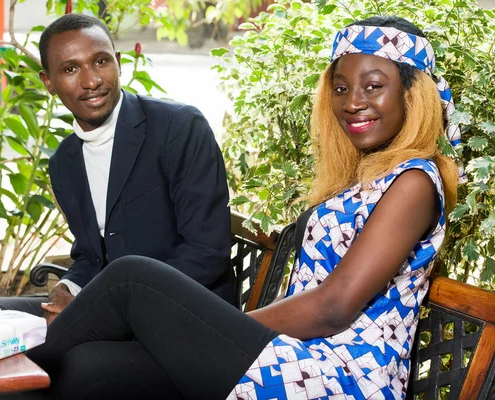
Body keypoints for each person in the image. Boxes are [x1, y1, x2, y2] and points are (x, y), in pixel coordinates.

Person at [25, 16, 461, 399]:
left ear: (411, 95)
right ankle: (1, 372)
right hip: (295, 355)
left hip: (339, 376)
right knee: (87, 370)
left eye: (373, 86)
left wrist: (232, 328)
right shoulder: (366, 178)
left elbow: (335, 305)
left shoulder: (414, 182)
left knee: (130, 278)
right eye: (342, 88)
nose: (352, 102)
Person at [0, 14, 235, 320]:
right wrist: (68, 288)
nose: (91, 81)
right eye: (70, 69)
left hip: (187, 319)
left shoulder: (178, 128)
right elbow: (91, 255)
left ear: (119, 63)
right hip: (117, 315)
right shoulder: (65, 162)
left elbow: (207, 252)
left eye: (100, 62)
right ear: (49, 83)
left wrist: (112, 307)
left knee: (63, 357)